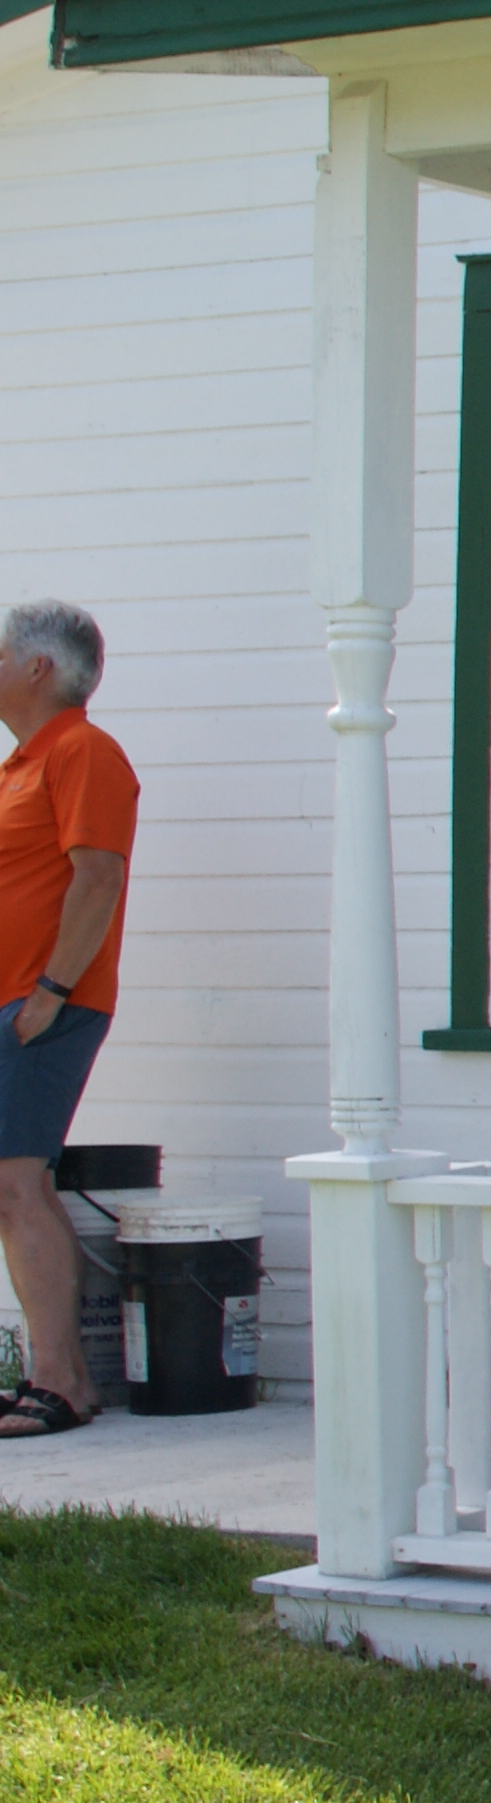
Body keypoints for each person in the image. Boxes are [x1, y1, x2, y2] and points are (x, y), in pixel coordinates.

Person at [0, 604, 132, 1440]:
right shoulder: (22, 764)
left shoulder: (85, 751)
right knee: (7, 1188)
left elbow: (98, 879)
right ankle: (56, 1376)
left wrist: (51, 988)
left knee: (19, 1183)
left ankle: (58, 1382)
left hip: (43, 1006)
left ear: (39, 667)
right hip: (15, 1001)